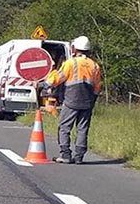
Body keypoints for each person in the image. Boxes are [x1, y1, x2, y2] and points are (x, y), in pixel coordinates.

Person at [43, 36, 101, 164]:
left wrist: (45, 85)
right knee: (83, 128)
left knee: (64, 127)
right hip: (87, 102)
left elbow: (58, 78)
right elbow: (97, 87)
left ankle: (65, 155)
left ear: (74, 48)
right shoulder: (95, 66)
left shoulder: (71, 63)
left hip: (71, 101)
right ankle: (79, 157)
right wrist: (92, 101)